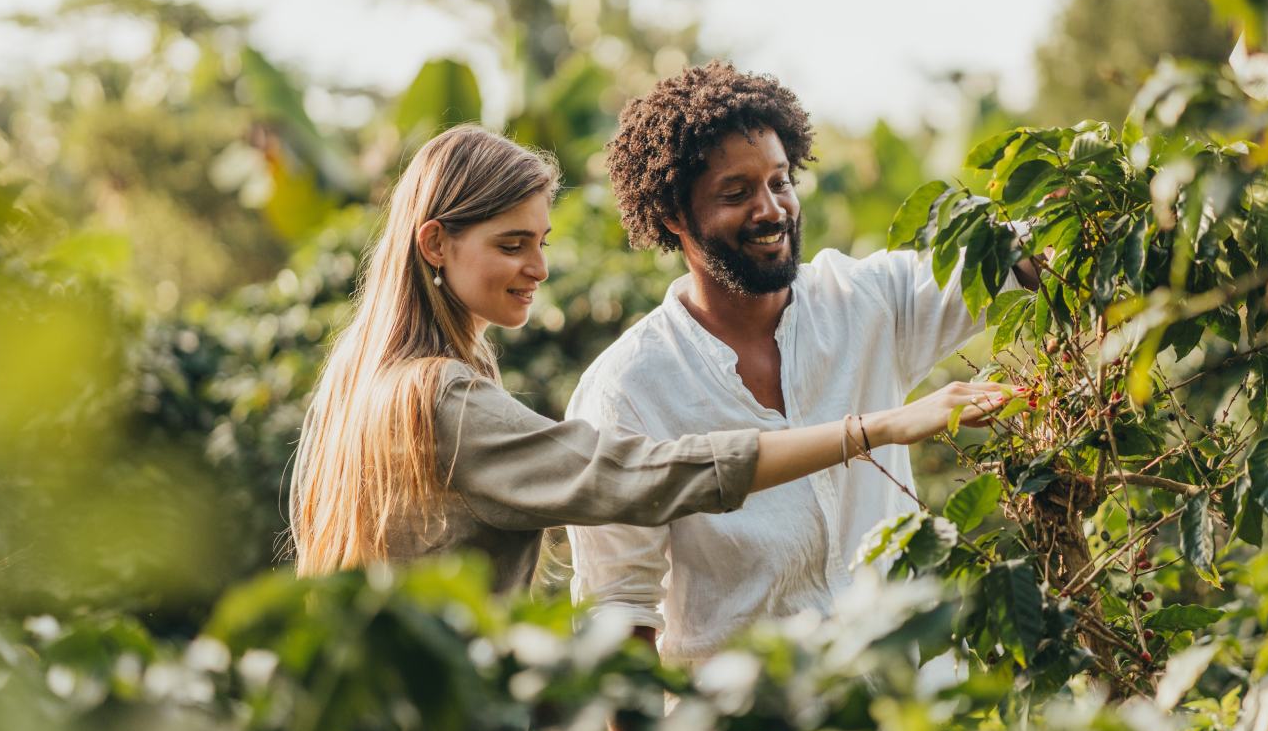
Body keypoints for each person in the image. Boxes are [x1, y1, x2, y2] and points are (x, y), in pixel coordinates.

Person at [287, 124, 1008, 582]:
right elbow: (633, 475)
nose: (538, 268)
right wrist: (876, 429)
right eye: (512, 245)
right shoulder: (441, 398)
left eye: (540, 242)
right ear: (435, 243)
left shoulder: (366, 381)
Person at [567, 64, 1033, 664]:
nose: (771, 210)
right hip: (755, 717)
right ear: (673, 216)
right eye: (736, 194)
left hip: (914, 704)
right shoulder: (626, 390)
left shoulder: (865, 301)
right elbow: (620, 613)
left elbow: (1016, 259)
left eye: (780, 182)